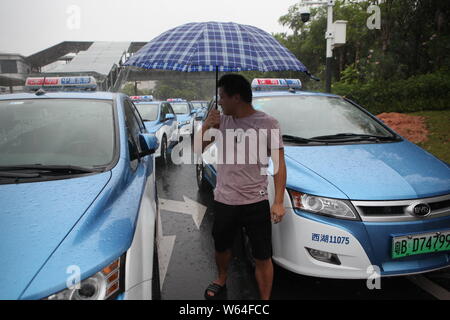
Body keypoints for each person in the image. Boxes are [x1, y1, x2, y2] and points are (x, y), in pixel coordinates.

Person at [200, 74, 287, 300]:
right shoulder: (221, 121)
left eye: (222, 97)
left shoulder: (269, 123)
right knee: (221, 247)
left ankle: (264, 300)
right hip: (224, 200)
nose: (219, 102)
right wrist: (206, 126)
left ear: (236, 97)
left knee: (262, 255)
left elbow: (279, 165)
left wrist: (278, 201)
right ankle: (221, 277)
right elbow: (196, 149)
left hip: (255, 201)